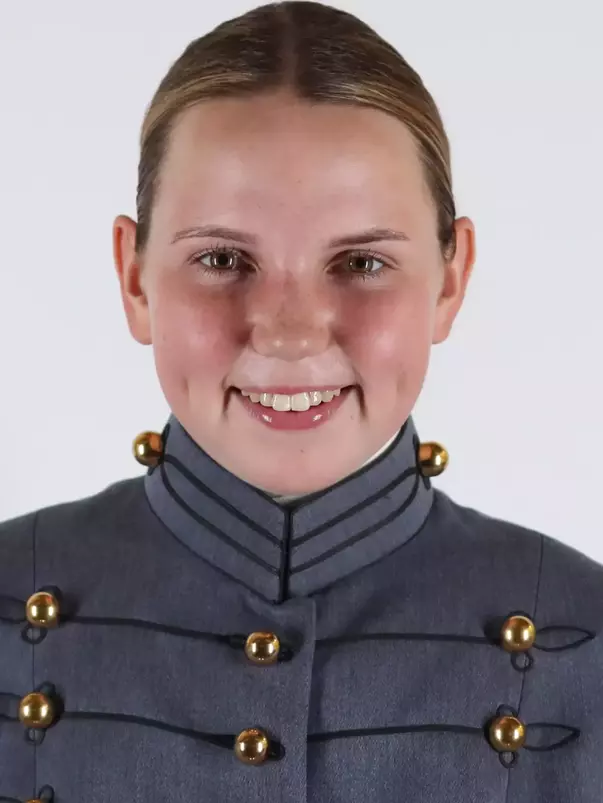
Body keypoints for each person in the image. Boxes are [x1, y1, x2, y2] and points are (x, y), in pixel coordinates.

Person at [0, 2, 601, 801]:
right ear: (134, 277)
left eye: (359, 261)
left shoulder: (584, 635)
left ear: (450, 282)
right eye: (220, 257)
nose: (287, 333)